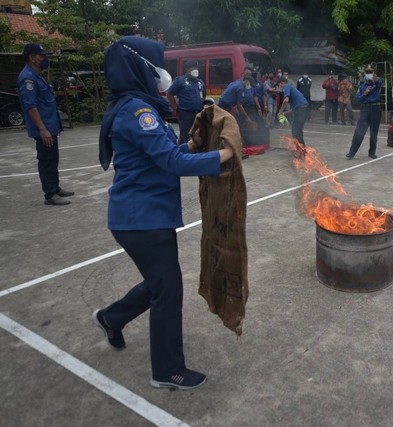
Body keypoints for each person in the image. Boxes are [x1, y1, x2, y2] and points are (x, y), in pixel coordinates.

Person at [94, 35, 234, 390]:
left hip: (144, 216)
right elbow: (171, 163)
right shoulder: (137, 112)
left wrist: (192, 144)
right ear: (140, 67)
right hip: (142, 219)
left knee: (159, 283)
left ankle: (111, 317)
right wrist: (224, 156)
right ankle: (167, 370)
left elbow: (163, 151)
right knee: (167, 291)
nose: (164, 74)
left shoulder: (138, 105)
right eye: (158, 65)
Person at [17, 43, 74, 206]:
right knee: (46, 160)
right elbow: (30, 106)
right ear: (32, 58)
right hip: (44, 129)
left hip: (50, 126)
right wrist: (42, 129)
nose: (44, 58)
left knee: (53, 158)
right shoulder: (27, 78)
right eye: (41, 55)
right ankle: (50, 194)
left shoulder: (36, 75)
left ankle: (55, 188)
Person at [346, 65, 382, 160]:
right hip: (365, 109)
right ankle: (351, 152)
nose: (369, 74)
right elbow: (357, 100)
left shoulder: (377, 82)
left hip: (375, 109)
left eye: (371, 72)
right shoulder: (362, 86)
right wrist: (365, 94)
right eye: (368, 72)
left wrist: (376, 79)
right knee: (359, 131)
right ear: (365, 74)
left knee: (374, 132)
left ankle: (372, 152)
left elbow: (379, 82)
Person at [166, 60, 206, 145]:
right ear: (187, 69)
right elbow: (169, 94)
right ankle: (182, 153)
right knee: (185, 136)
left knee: (198, 134)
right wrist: (175, 107)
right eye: (193, 68)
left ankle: (195, 152)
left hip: (198, 113)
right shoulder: (180, 81)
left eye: (196, 68)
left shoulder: (200, 82)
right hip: (185, 113)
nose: (196, 70)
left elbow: (203, 96)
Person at [276, 76, 310, 146]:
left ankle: (301, 150)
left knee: (296, 131)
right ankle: (301, 149)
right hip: (303, 109)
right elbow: (294, 109)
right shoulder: (291, 88)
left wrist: (280, 111)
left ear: (281, 83)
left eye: (278, 85)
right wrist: (284, 113)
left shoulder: (286, 87)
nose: (279, 87)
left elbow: (285, 101)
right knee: (297, 130)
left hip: (301, 110)